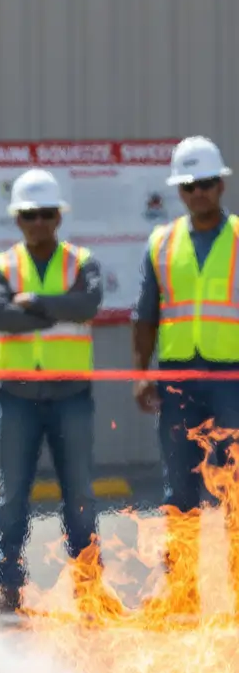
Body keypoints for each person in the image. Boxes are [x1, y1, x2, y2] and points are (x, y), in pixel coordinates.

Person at [0, 169, 103, 615]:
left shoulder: (81, 261)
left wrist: (33, 303)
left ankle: (89, 587)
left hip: (71, 394)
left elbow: (87, 305)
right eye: (29, 215)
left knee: (79, 494)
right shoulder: (2, 265)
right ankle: (7, 586)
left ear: (59, 217)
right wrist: (55, 309)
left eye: (46, 214)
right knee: (12, 495)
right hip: (17, 395)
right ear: (17, 219)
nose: (38, 222)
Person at [132, 136, 239, 607]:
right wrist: (140, 373)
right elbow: (146, 316)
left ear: (221, 185)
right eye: (190, 185)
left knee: (234, 486)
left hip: (232, 380)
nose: (199, 192)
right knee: (180, 489)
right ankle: (182, 591)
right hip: (177, 382)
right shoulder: (161, 242)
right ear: (180, 191)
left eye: (207, 183)